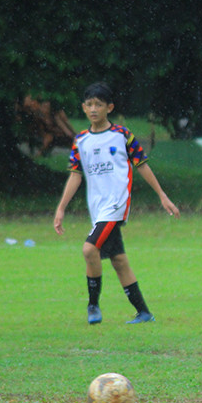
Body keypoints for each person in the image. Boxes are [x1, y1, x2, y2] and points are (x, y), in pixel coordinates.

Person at [53, 82, 180, 324]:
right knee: (119, 260)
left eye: (98, 105)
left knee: (89, 249)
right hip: (97, 209)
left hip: (116, 205)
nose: (93, 109)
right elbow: (75, 174)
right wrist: (61, 208)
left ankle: (93, 306)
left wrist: (162, 195)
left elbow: (141, 164)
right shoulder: (80, 140)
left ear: (109, 107)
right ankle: (143, 312)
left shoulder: (122, 136)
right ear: (83, 107)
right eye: (89, 104)